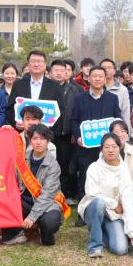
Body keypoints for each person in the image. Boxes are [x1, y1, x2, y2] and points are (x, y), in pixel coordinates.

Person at [0, 124, 66, 246]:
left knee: (50, 222)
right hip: (24, 201)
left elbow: (47, 196)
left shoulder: (53, 165)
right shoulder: (22, 158)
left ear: (48, 141)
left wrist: (32, 217)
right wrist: (7, 133)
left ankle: (44, 232)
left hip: (47, 203)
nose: (38, 142)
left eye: (42, 139)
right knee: (5, 204)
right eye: (35, 138)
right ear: (30, 140)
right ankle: (16, 233)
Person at [79, 133, 133, 257]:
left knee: (120, 249)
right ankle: (95, 246)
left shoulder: (123, 168)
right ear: (102, 149)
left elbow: (127, 197)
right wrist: (114, 204)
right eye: (106, 147)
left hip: (113, 214)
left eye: (114, 146)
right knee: (99, 203)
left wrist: (132, 232)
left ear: (119, 148)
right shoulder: (94, 167)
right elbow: (92, 194)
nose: (110, 150)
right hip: (94, 208)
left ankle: (101, 231)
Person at [69, 66, 123, 206]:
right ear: (89, 78)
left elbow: (118, 119)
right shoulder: (80, 98)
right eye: (94, 76)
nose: (98, 79)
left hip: (107, 147)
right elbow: (74, 120)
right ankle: (84, 207)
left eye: (101, 76)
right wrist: (78, 137)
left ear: (105, 79)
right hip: (85, 146)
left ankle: (107, 205)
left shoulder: (112, 98)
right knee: (85, 175)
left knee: (106, 176)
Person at [5, 51, 63, 129]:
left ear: (45, 65)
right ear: (28, 65)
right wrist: (15, 123)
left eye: (39, 61)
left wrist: (50, 126)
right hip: (23, 132)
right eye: (33, 61)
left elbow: (61, 110)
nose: (36, 64)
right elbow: (10, 108)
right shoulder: (18, 84)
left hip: (46, 133)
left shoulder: (55, 86)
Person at [52, 58, 81, 199]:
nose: (59, 73)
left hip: (66, 134)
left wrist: (74, 132)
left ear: (67, 73)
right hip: (48, 134)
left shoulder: (74, 90)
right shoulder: (47, 88)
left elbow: (77, 112)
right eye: (56, 70)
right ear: (50, 72)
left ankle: (65, 194)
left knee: (64, 164)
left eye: (62, 71)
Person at [100, 58, 132, 128]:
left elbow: (125, 113)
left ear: (114, 71)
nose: (107, 70)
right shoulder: (96, 88)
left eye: (109, 68)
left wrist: (127, 130)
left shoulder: (122, 89)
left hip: (115, 128)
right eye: (104, 68)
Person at [109, 119, 133, 184]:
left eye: (123, 131)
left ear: (127, 134)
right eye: (116, 132)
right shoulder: (106, 152)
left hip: (132, 189)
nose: (120, 134)